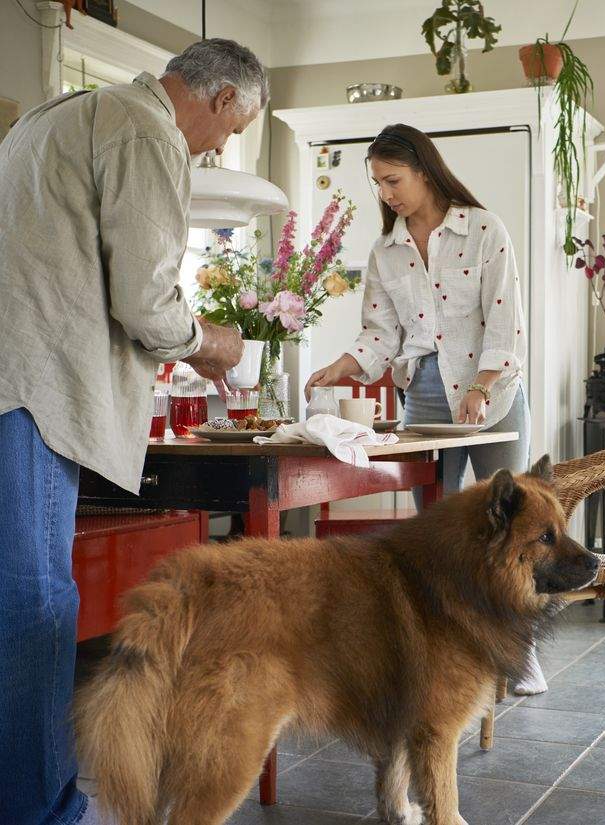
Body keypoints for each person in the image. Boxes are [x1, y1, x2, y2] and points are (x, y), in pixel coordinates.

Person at [0, 38, 267, 825]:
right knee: (36, 609)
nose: (220, 148)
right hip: (35, 396)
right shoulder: (145, 129)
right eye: (232, 129)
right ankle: (42, 814)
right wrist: (213, 341)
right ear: (220, 100)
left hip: (12, 385)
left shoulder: (62, 117)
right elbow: (148, 302)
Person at [304, 124, 547, 694]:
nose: (386, 193)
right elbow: (380, 334)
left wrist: (483, 385)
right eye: (379, 184)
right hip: (425, 397)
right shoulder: (385, 251)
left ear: (424, 170)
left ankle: (523, 652)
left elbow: (505, 319)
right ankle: (447, 653)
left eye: (394, 180)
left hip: (492, 393)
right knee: (438, 531)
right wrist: (344, 365)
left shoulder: (483, 229)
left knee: (517, 528)